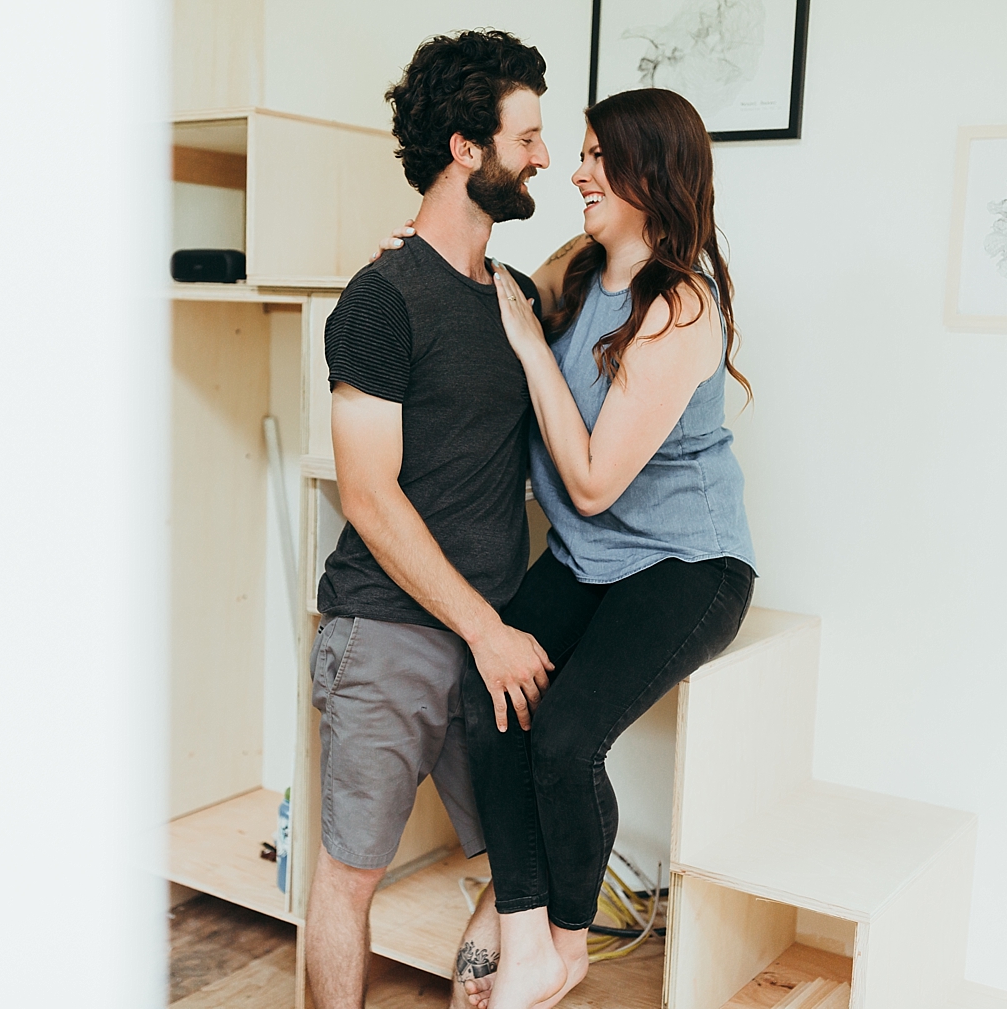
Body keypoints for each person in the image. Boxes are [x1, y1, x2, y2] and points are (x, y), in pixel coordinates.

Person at [470, 87, 757, 1009]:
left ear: (651, 173)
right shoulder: (579, 265)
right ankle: (517, 925)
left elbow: (592, 480)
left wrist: (527, 346)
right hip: (590, 557)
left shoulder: (679, 309)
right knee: (489, 695)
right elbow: (497, 290)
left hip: (687, 567)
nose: (578, 170)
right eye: (580, 151)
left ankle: (565, 943)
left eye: (598, 156)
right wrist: (421, 258)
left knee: (561, 740)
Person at [305, 29, 557, 1009]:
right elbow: (369, 496)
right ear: (464, 146)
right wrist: (486, 628)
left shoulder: (513, 297)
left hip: (486, 633)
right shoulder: (381, 298)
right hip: (391, 633)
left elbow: (602, 264)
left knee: (520, 856)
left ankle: (473, 989)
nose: (540, 154)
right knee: (350, 873)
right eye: (527, 135)